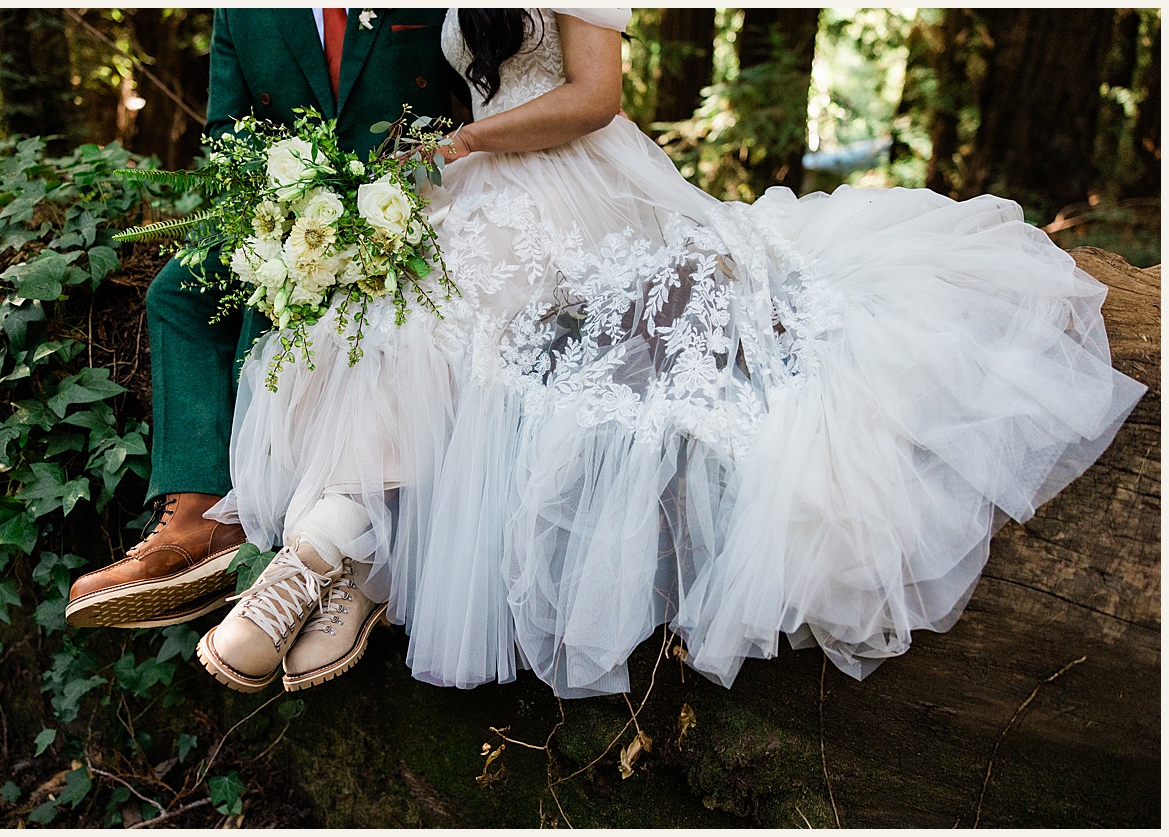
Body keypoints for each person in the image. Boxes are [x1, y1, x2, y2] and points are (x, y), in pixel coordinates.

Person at [210, 8, 1144, 698]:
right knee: (377, 309)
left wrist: (461, 144)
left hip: (575, 177)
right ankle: (351, 556)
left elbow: (593, 96)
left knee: (456, 313)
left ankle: (324, 552)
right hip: (484, 175)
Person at [64, 8, 468, 668]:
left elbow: (475, 85)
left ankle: (278, 524)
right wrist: (281, 202)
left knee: (278, 305)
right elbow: (228, 135)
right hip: (291, 209)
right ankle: (200, 512)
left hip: (413, 209)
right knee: (177, 291)